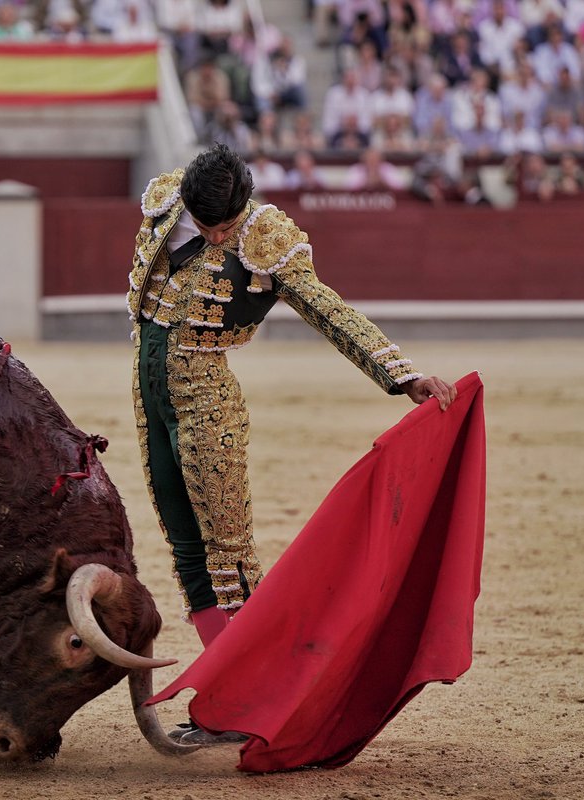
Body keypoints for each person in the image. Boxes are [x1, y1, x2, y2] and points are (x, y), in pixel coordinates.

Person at [125, 144, 455, 742]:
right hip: (149, 399)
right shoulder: (166, 201)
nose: (217, 236)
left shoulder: (267, 237)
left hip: (206, 402)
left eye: (225, 226)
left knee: (228, 555)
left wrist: (400, 374)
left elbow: (327, 310)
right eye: (206, 226)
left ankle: (252, 701)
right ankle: (227, 701)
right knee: (185, 548)